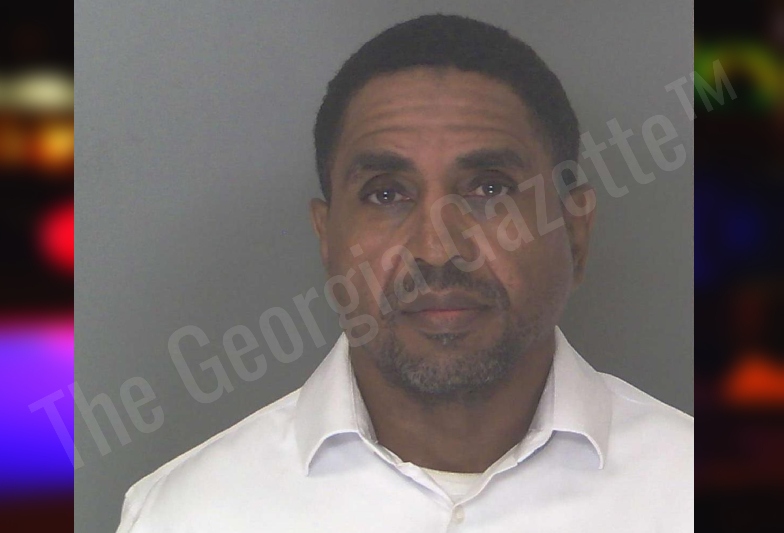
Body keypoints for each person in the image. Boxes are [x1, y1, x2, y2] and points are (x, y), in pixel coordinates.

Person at [116, 14, 693, 532]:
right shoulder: (185, 514)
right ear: (326, 238)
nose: (437, 250)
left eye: (490, 188)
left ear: (575, 232)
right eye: (386, 193)